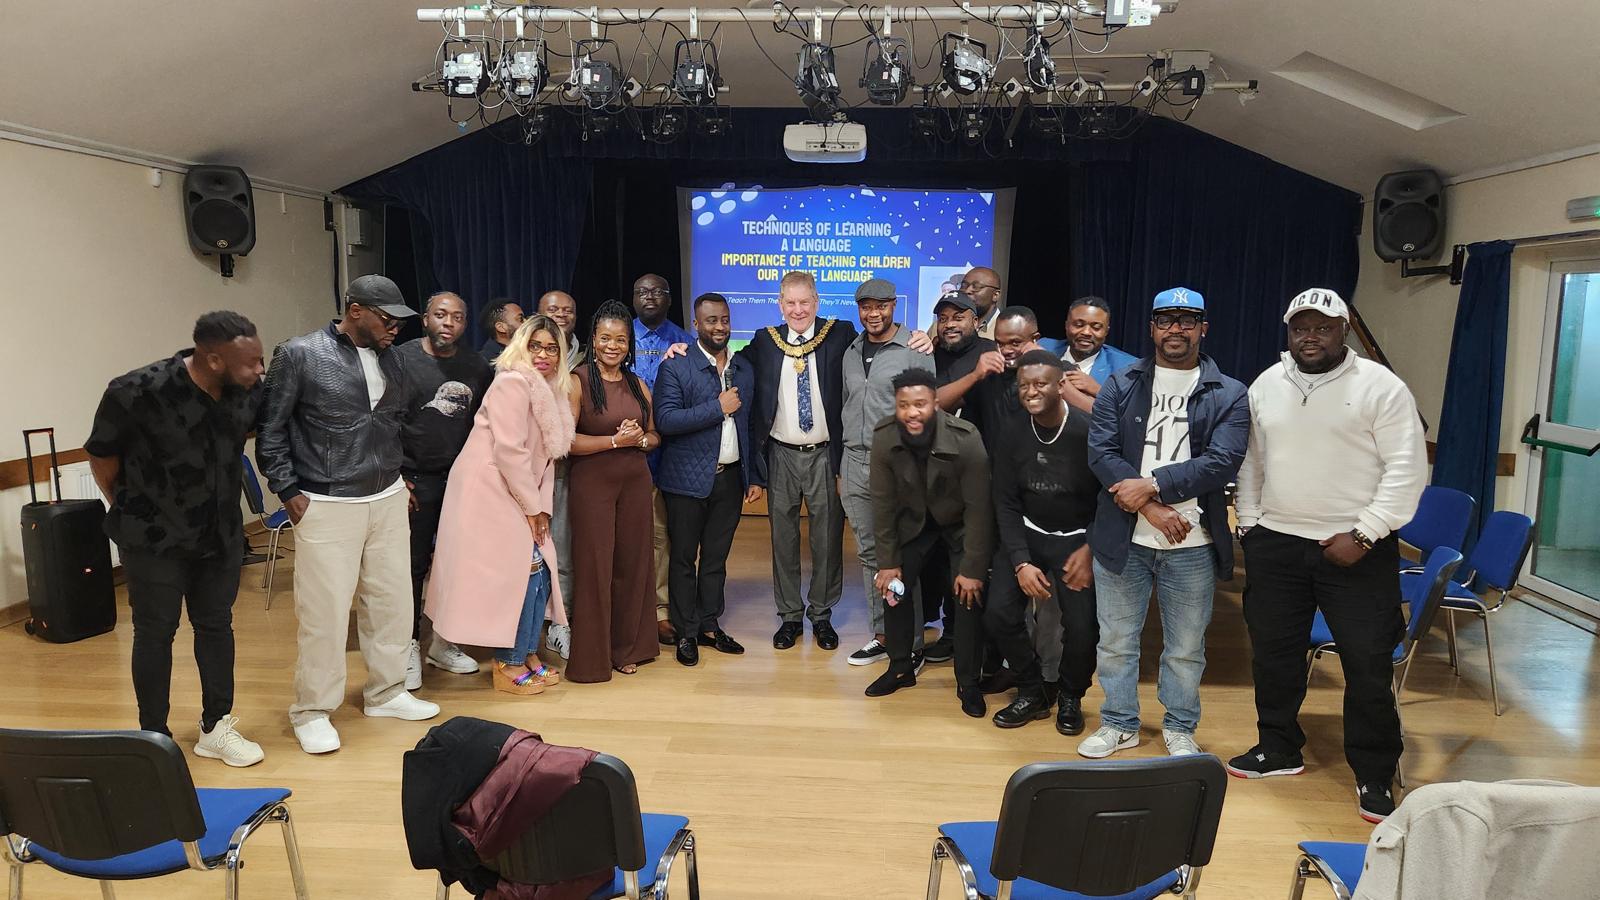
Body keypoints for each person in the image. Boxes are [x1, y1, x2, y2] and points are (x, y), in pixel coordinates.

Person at [1229, 288, 1427, 824]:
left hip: (1357, 549)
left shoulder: (1381, 387)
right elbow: (1252, 462)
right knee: (1274, 656)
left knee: (1366, 664)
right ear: (1289, 332)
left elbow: (1407, 470)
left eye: (1322, 327)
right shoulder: (1267, 384)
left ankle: (1374, 772)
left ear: (1344, 331)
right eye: (1300, 328)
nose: (1310, 337)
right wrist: (1250, 524)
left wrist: (1364, 535)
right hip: (1276, 544)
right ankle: (1278, 747)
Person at [256, 275, 440, 754]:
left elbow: (396, 423)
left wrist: (402, 477)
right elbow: (270, 428)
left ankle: (386, 692)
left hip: (386, 496)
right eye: (387, 319)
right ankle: (312, 711)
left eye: (400, 321)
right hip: (327, 500)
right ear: (355, 310)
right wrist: (287, 490)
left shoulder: (393, 358)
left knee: (392, 603)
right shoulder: (300, 354)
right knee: (325, 614)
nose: (395, 328)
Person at [85, 311, 266, 766]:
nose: (260, 370)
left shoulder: (246, 392)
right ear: (214, 359)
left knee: (216, 626)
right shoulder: (135, 391)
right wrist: (128, 505)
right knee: (155, 633)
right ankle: (154, 738)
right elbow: (102, 457)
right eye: (251, 362)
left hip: (219, 536)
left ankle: (215, 727)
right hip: (153, 539)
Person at [1079, 287, 1248, 761]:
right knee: (1116, 643)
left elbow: (1222, 462)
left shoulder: (1229, 392)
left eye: (1187, 320)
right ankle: (1119, 723)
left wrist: (1151, 485)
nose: (1176, 329)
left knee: (1186, 649)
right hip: (1123, 538)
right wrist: (1151, 508)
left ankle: (1179, 727)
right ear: (1152, 328)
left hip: (1193, 543)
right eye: (1166, 320)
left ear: (1203, 328)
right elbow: (1101, 453)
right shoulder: (1121, 383)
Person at [425, 315, 577, 696]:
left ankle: (526, 653)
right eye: (535, 346)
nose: (543, 355)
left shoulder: (551, 390)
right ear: (521, 346)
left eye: (551, 348)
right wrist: (532, 508)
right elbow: (510, 452)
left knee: (538, 570)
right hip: (489, 489)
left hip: (519, 490)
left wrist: (540, 507)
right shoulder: (512, 382)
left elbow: (546, 460)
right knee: (525, 572)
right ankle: (508, 662)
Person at [865, 368, 993, 717]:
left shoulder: (965, 437)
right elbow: (882, 504)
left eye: (920, 404)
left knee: (967, 596)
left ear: (936, 403)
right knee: (894, 590)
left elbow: (980, 510)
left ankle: (968, 682)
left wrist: (972, 569)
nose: (912, 412)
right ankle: (900, 668)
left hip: (959, 525)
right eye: (904, 405)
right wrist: (888, 563)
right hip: (913, 526)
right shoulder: (884, 436)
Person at [740, 270, 857, 651]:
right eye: (790, 302)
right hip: (781, 454)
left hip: (825, 453)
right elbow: (730, 364)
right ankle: (790, 615)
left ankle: (821, 615)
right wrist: (684, 350)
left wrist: (918, 338)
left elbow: (876, 350)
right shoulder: (765, 340)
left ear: (817, 302)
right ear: (780, 304)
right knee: (783, 539)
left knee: (827, 538)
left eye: (805, 302)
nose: (798, 309)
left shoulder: (840, 334)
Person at [985, 351, 1101, 735]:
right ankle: (1031, 689)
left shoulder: (1088, 431)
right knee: (999, 613)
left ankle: (1070, 695)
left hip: (1078, 541)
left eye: (1040, 384)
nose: (1031, 392)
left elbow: (1110, 497)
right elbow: (1004, 500)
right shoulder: (1012, 431)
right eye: (1024, 385)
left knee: (1083, 628)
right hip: (1028, 534)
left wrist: (1090, 549)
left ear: (1061, 385)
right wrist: (1020, 561)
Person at [653, 293, 762, 666]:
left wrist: (754, 476)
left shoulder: (743, 367)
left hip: (730, 479)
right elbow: (666, 420)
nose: (720, 327)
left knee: (716, 559)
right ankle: (686, 631)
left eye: (725, 320)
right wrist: (718, 407)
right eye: (711, 320)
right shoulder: (676, 365)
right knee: (684, 559)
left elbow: (750, 426)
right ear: (696, 324)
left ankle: (709, 626)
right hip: (685, 481)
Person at [395, 291, 494, 686]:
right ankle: (407, 647)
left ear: (465, 324)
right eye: (440, 315)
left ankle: (443, 641)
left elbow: (485, 424)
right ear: (425, 319)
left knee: (455, 566)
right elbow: (382, 420)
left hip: (461, 482)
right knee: (412, 567)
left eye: (456, 317)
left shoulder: (476, 367)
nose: (448, 323)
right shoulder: (400, 360)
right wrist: (394, 477)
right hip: (412, 480)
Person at [840, 278, 936, 668]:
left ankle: (910, 644)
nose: (874, 313)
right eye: (866, 307)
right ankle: (882, 635)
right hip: (854, 462)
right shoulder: (851, 351)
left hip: (898, 466)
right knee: (868, 553)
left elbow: (928, 413)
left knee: (901, 556)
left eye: (881, 306)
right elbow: (848, 405)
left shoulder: (915, 349)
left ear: (894, 306)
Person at [566, 300, 662, 681]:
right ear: (593, 339)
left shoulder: (638, 385)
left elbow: (654, 436)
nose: (613, 346)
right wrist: (614, 442)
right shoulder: (577, 381)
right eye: (605, 338)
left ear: (629, 344)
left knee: (633, 565)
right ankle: (593, 657)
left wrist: (640, 440)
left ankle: (628, 648)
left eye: (620, 339)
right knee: (595, 568)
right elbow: (567, 441)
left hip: (635, 483)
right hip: (592, 485)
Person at [631, 273, 694, 646]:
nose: (649, 297)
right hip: (623, 449)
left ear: (670, 298)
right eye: (642, 291)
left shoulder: (685, 341)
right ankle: (626, 610)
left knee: (662, 537)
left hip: (671, 453)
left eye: (657, 291)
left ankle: (660, 611)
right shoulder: (619, 338)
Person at [538, 289, 583, 633]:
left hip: (569, 469)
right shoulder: (521, 361)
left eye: (568, 310)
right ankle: (527, 622)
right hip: (527, 471)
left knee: (564, 550)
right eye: (554, 310)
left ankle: (560, 623)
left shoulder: (588, 358)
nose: (562, 315)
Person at [936, 305, 1042, 445]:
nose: (1006, 350)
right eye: (1000, 344)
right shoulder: (989, 375)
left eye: (1015, 343)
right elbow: (935, 405)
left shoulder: (1054, 371)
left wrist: (1047, 365)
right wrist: (974, 375)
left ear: (1034, 339)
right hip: (991, 456)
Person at [1058, 296, 1139, 399]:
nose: (1086, 332)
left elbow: (1135, 407)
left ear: (1106, 331)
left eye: (1096, 327)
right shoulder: (1044, 347)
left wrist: (1099, 390)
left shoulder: (1128, 368)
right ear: (1066, 325)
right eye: (1079, 325)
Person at [538, 289, 585, 371]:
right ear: (539, 316)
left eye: (568, 311)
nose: (561, 314)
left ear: (576, 317)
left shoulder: (587, 356)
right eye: (552, 310)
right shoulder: (525, 353)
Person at [959, 266, 1004, 339]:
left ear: (995, 295)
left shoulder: (1007, 328)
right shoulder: (948, 325)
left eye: (976, 286)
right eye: (964, 286)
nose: (967, 291)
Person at [479, 299, 525, 363]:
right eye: (520, 319)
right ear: (501, 327)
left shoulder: (528, 353)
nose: (527, 322)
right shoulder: (483, 363)